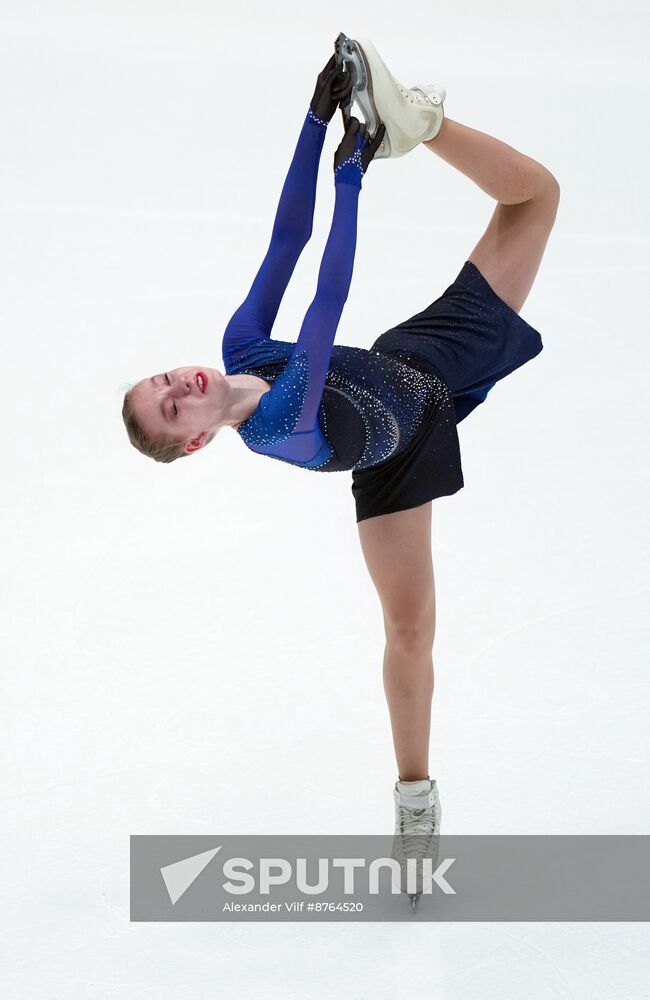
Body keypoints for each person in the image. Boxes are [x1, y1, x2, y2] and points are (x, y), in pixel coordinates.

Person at [121, 37, 559, 898]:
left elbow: (287, 237)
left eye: (162, 379)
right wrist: (351, 174)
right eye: (172, 408)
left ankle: (419, 122)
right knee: (409, 632)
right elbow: (324, 308)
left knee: (535, 196)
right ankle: (416, 800)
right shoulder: (277, 427)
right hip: (398, 463)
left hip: (420, 366)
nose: (178, 384)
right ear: (198, 440)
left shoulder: (242, 346)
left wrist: (315, 119)